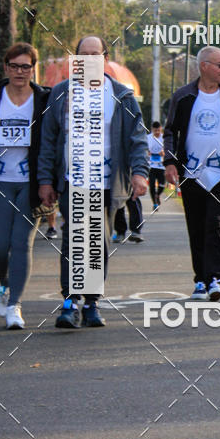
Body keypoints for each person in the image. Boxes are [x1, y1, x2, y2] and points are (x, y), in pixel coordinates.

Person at [37, 35, 149, 328]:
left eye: (94, 54)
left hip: (106, 182)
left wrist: (140, 172)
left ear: (104, 59)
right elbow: (48, 141)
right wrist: (45, 181)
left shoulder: (121, 95)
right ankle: (70, 302)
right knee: (73, 240)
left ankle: (92, 302)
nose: (88, 59)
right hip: (72, 180)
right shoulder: (60, 94)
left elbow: (137, 138)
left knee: (96, 242)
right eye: (83, 55)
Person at [163, 45, 220, 301]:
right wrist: (170, 162)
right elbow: (170, 131)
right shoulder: (183, 97)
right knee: (196, 227)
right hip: (191, 174)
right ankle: (200, 281)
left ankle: (215, 278)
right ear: (204, 66)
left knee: (214, 225)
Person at [0, 43, 50, 329]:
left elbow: (54, 140)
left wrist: (49, 181)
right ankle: (3, 285)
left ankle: (14, 304)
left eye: (26, 66)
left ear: (33, 68)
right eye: (15, 66)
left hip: (30, 183)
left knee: (20, 243)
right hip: (0, 181)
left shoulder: (45, 98)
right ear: (6, 67)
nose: (20, 71)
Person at [148, 120, 166, 210]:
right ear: (152, 130)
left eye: (159, 130)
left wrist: (164, 152)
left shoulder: (164, 138)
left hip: (161, 166)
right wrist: (146, 152)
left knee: (162, 185)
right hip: (151, 166)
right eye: (155, 131)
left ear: (161, 129)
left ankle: (157, 195)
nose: (157, 132)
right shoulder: (148, 138)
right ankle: (155, 204)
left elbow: (170, 150)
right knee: (151, 185)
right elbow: (143, 149)